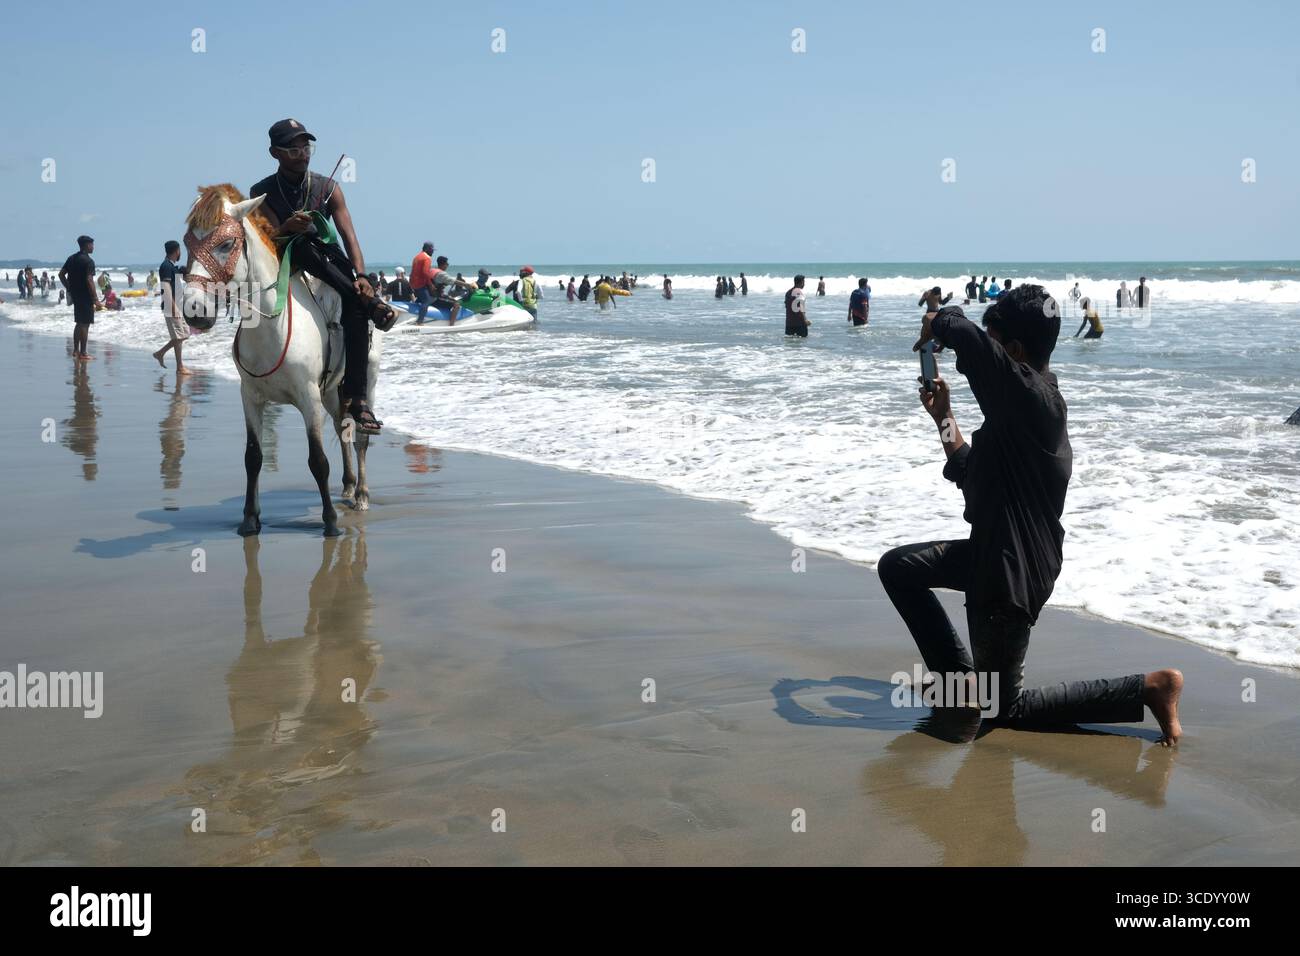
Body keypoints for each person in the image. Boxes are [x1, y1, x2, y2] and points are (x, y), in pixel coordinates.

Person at [880, 284, 1184, 745]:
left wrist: (937, 319)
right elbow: (968, 469)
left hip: (1011, 573)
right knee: (899, 568)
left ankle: (1149, 688)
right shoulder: (1021, 412)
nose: (984, 362)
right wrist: (943, 417)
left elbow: (970, 341)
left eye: (999, 346)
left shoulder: (1032, 402)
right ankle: (961, 684)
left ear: (1015, 351)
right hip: (992, 552)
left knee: (1005, 712)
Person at [249, 119, 394, 432]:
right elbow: (264, 240)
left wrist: (363, 276)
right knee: (301, 245)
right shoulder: (260, 192)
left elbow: (349, 236)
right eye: (293, 149)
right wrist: (286, 229)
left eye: (306, 147)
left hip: (332, 263)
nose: (303, 155)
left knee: (356, 303)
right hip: (288, 261)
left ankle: (358, 400)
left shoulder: (328, 187)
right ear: (275, 153)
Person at [152, 239, 191, 374]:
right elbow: (166, 287)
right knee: (181, 336)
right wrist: (173, 307)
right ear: (177, 251)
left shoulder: (171, 266)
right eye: (180, 250)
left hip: (177, 306)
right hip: (171, 306)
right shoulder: (166, 267)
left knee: (180, 336)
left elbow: (184, 276)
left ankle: (178, 365)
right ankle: (162, 354)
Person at [59, 235, 101, 361]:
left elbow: (61, 275)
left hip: (76, 295)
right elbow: (89, 280)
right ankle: (83, 353)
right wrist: (95, 299)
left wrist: (69, 287)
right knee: (85, 324)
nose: (93, 247)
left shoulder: (71, 258)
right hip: (86, 296)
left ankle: (76, 350)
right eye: (92, 244)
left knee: (78, 323)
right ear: (87, 245)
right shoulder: (88, 261)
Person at [424, 255, 476, 324]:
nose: (448, 265)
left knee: (450, 298)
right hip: (434, 298)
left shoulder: (432, 270)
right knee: (456, 304)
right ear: (443, 264)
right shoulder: (441, 274)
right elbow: (453, 281)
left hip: (429, 295)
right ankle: (451, 325)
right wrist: (467, 285)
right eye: (447, 263)